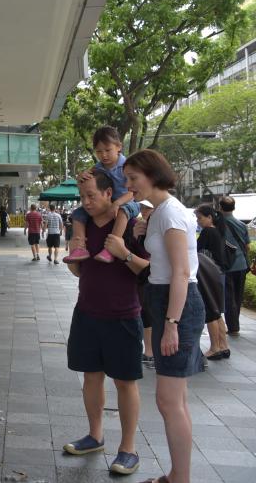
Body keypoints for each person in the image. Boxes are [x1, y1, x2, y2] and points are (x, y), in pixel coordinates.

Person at [116, 149, 205, 483]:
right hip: (167, 300)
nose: (129, 185)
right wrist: (144, 232)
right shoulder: (161, 212)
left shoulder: (171, 214)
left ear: (152, 176)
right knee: (175, 400)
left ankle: (179, 478)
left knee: (169, 401)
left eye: (133, 178)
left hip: (176, 304)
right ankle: (177, 475)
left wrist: (171, 325)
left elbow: (182, 274)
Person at [62, 169, 147, 476]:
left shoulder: (131, 225)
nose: (86, 202)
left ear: (109, 193)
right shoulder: (81, 226)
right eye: (82, 197)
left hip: (123, 315)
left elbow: (147, 270)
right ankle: (95, 435)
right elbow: (79, 273)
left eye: (92, 196)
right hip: (86, 312)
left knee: (125, 382)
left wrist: (123, 253)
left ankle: (128, 449)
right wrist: (75, 255)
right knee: (91, 376)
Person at [67, 127, 140, 264]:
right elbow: (84, 181)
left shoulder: (127, 166)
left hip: (128, 202)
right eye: (99, 151)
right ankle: (80, 246)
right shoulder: (98, 167)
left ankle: (111, 248)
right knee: (78, 214)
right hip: (107, 205)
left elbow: (132, 191)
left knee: (123, 212)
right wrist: (80, 177)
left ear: (118, 147)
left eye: (107, 150)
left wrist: (117, 203)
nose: (103, 155)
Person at [194, 205, 229, 360]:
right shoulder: (218, 231)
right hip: (218, 274)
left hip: (208, 275)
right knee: (217, 312)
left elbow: (195, 250)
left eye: (200, 218)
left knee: (210, 311)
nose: (198, 221)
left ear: (209, 217)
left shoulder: (208, 232)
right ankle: (223, 346)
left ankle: (214, 347)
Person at [218, 196, 251, 337]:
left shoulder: (218, 224)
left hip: (227, 266)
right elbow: (248, 247)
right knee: (238, 295)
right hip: (242, 265)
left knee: (229, 297)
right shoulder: (242, 225)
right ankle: (234, 324)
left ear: (220, 207)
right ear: (234, 208)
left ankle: (233, 326)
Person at [136, 200, 155, 370]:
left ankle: (150, 352)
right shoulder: (141, 225)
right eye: (142, 208)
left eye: (147, 208)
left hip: (152, 276)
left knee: (148, 314)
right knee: (146, 313)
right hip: (144, 277)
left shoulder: (157, 225)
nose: (144, 211)